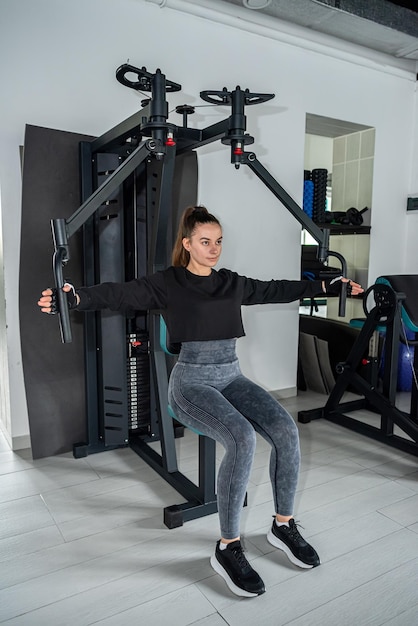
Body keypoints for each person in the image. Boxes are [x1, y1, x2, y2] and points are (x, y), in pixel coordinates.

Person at [38, 205, 363, 598]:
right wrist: (74, 297)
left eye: (218, 242)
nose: (213, 249)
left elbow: (275, 288)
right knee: (242, 437)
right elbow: (121, 294)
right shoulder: (169, 283)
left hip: (231, 375)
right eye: (205, 242)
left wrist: (326, 286)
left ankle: (283, 525)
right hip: (191, 382)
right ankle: (228, 548)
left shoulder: (230, 282)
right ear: (188, 244)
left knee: (284, 428)